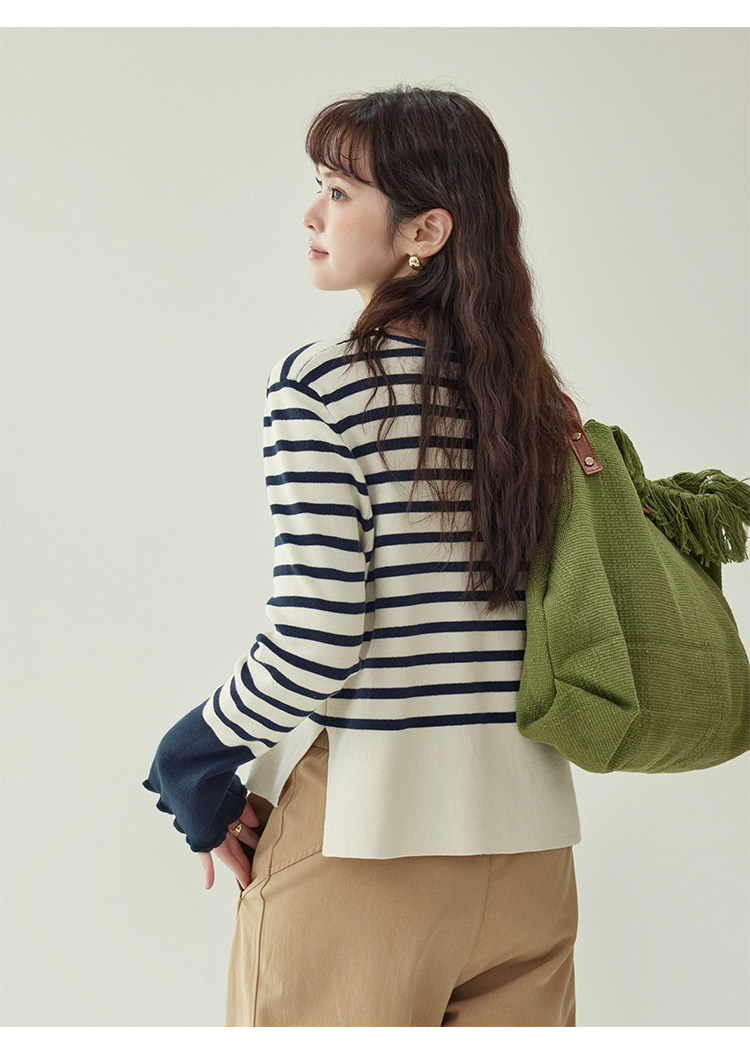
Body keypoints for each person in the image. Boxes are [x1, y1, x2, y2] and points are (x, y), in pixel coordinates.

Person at [143, 84, 581, 1027]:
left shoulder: (323, 384)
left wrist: (193, 754)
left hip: (367, 842)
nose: (313, 214)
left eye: (340, 192)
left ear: (426, 231)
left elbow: (319, 633)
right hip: (532, 857)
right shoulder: (535, 405)